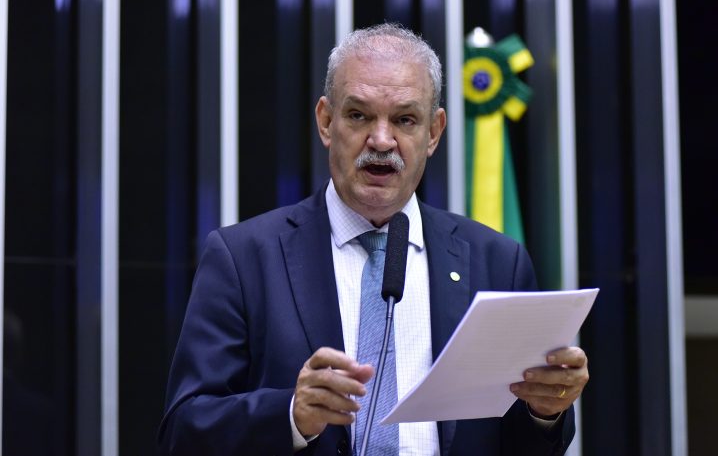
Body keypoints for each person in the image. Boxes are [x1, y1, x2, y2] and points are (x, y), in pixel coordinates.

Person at [158, 23, 589, 456]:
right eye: (359, 115)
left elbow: (521, 445)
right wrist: (290, 414)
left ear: (434, 132)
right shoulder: (243, 259)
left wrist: (544, 411)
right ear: (326, 121)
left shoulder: (497, 261)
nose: (381, 141)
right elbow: (183, 431)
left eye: (404, 119)